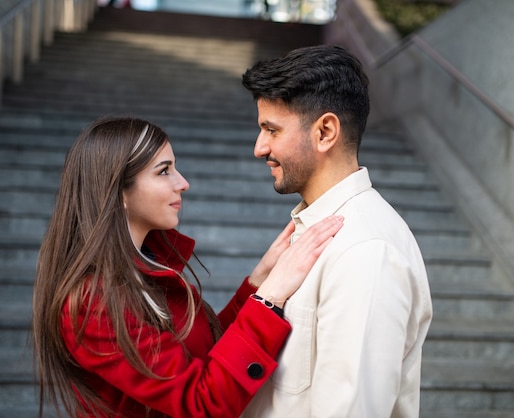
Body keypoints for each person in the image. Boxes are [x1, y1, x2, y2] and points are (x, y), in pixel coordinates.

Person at [32, 116, 344, 417]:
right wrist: (270, 298)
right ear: (118, 191)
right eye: (164, 171)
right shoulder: (92, 302)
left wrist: (258, 283)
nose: (183, 183)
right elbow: (201, 403)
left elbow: (203, 354)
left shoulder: (149, 263)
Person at [240, 45, 433, 417]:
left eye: (271, 130)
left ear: (325, 131)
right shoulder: (320, 231)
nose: (259, 148)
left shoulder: (366, 250)